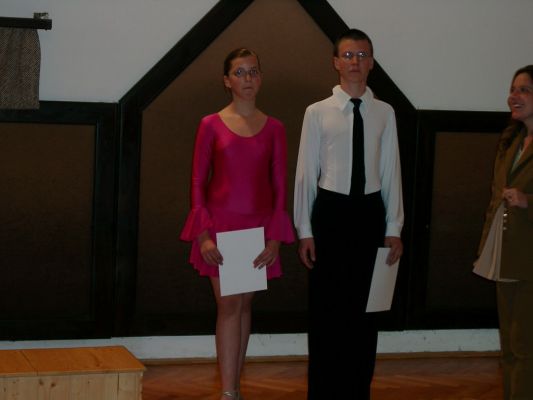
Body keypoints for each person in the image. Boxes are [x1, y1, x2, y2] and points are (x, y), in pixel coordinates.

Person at [293, 29, 404, 399]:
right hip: (331, 214)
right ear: (336, 63)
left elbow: (391, 171)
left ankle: (358, 391)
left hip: (369, 215)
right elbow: (306, 172)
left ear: (371, 63)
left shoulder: (385, 113)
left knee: (365, 313)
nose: (355, 62)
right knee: (327, 314)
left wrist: (394, 226)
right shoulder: (317, 112)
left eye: (362, 55)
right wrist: (305, 230)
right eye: (348, 55)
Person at [180, 48, 295, 400]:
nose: (248, 78)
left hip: (258, 229)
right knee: (229, 305)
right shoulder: (210, 124)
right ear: (226, 80)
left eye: (253, 71)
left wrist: (274, 238)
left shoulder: (275, 128)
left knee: (244, 306)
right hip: (221, 227)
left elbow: (279, 186)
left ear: (261, 78)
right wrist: (203, 236)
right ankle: (228, 391)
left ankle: (235, 386)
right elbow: (197, 182)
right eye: (240, 72)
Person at [475, 65, 533, 400]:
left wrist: (528, 201)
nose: (514, 96)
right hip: (505, 256)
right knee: (510, 348)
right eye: (513, 89)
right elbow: (494, 200)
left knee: (525, 348)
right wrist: (486, 249)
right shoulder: (511, 142)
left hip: (529, 262)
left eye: (524, 90)